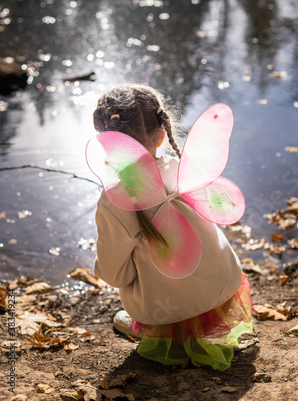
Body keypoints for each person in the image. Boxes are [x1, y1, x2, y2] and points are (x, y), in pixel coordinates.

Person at [92, 83, 253, 371]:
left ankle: (156, 328)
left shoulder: (113, 200)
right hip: (221, 290)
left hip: (164, 311)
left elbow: (115, 274)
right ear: (163, 133)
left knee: (137, 271)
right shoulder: (182, 167)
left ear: (105, 144)